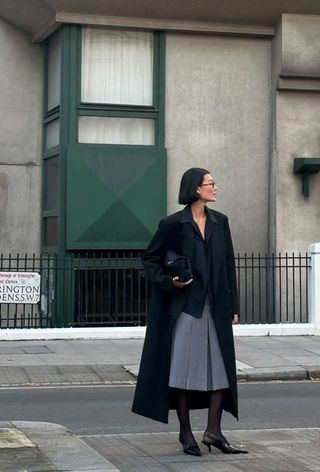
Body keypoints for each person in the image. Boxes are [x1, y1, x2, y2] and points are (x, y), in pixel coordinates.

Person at [132, 167, 248, 456]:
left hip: (216, 308)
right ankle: (185, 433)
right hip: (184, 308)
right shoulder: (173, 224)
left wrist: (233, 305)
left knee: (221, 370)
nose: (215, 187)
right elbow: (150, 259)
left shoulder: (221, 222)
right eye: (211, 183)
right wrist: (170, 282)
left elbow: (228, 265)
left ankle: (214, 431)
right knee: (181, 371)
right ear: (196, 188)